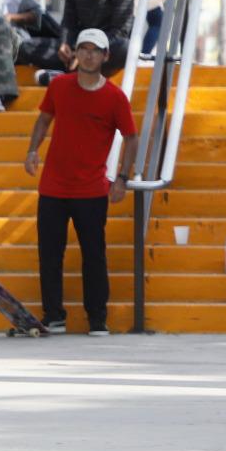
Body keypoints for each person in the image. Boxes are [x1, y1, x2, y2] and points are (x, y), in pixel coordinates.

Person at [23, 29, 139, 335]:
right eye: (83, 49)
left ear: (105, 56)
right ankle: (54, 315)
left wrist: (122, 179)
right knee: (49, 253)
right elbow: (44, 119)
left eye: (94, 50)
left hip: (91, 189)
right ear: (75, 53)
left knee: (94, 254)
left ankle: (97, 318)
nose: (88, 55)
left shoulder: (115, 97)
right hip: (53, 187)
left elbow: (131, 137)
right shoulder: (59, 86)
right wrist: (33, 150)